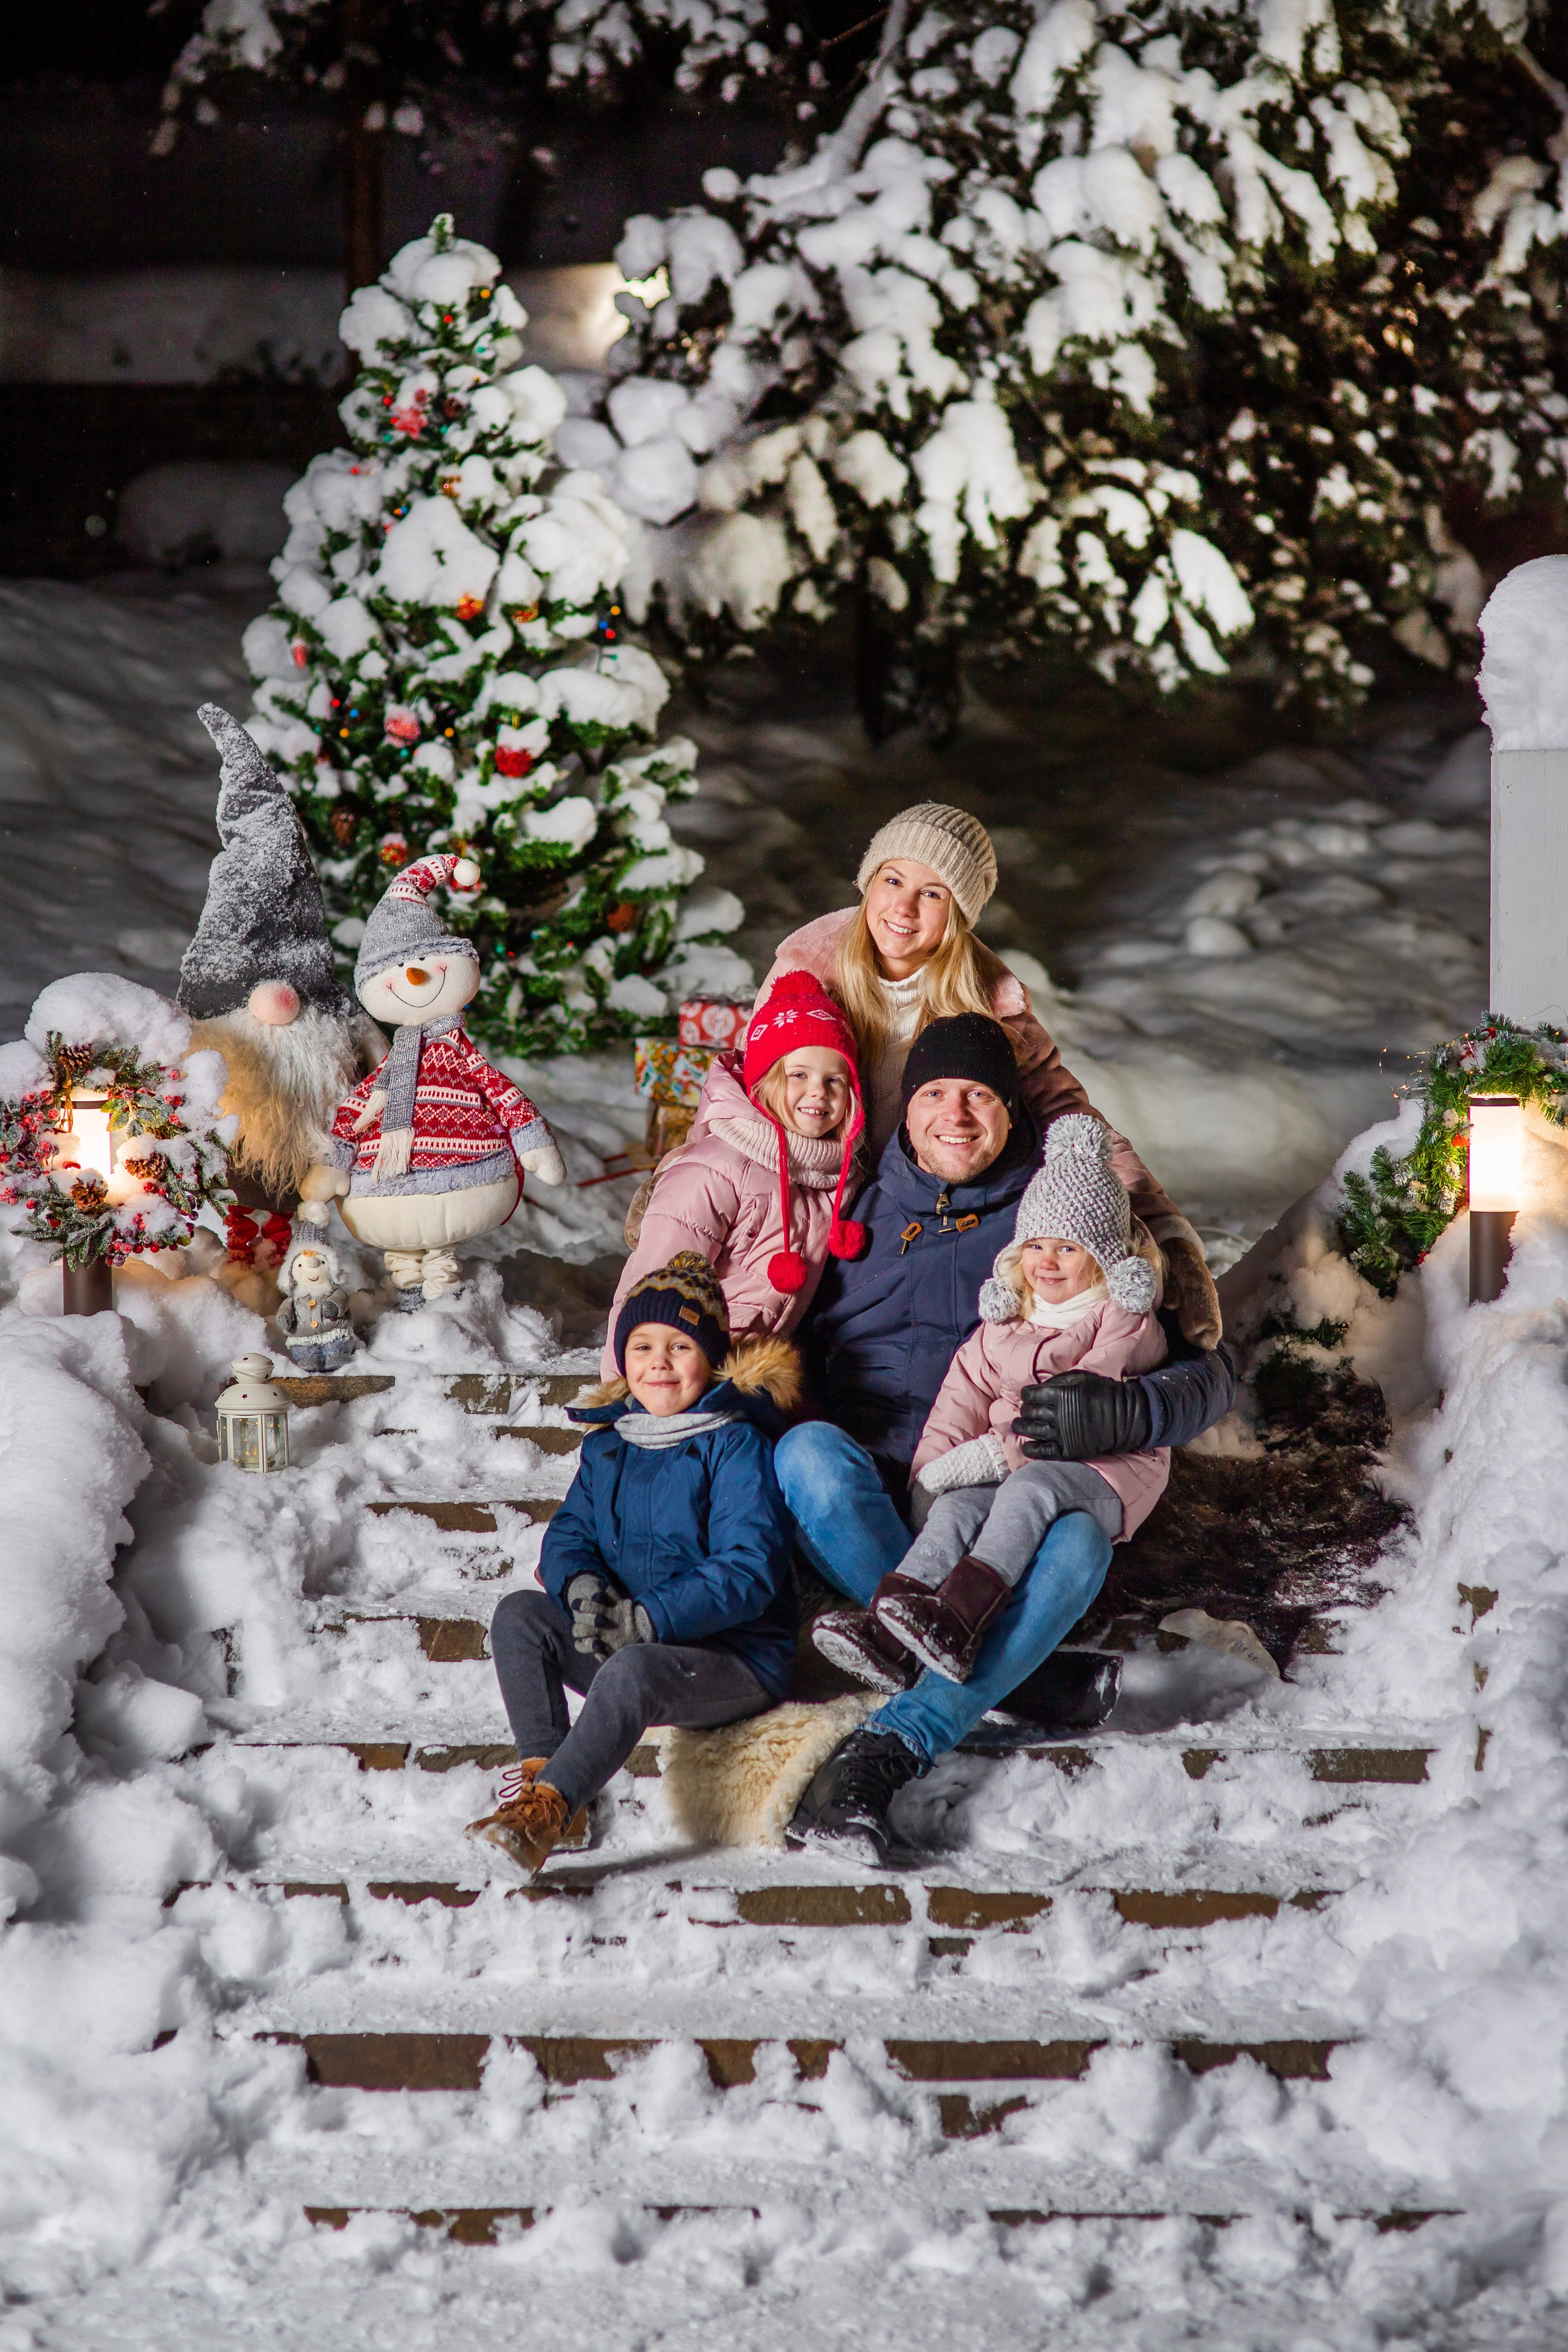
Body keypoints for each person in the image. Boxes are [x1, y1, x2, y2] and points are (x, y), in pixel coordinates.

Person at [775, 1012, 1236, 1865]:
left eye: (980, 1096)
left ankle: (886, 1751)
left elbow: (1208, 1366)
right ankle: (1020, 1671)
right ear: (905, 1110)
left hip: (1017, 1509)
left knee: (1079, 1545)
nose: (957, 1115)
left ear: (1013, 1112)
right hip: (887, 1505)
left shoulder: (1066, 1218)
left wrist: (1132, 1411)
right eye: (937, 1095)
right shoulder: (848, 1203)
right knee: (803, 1455)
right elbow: (768, 1341)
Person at [740, 799, 1220, 1351]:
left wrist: (1167, 1232)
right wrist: (687, 1172)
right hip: (812, 1189)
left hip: (920, 1206)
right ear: (868, 882)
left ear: (959, 913)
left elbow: (1070, 1118)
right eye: (892, 879)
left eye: (933, 893)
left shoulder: (988, 998)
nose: (904, 906)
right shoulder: (809, 968)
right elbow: (748, 1080)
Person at [468, 1253, 799, 1877]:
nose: (659, 1363)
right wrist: (583, 1588)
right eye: (642, 1346)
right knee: (520, 1615)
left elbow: (748, 1569)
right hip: (629, 1636)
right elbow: (570, 1535)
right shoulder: (611, 1445)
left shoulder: (735, 1443)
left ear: (712, 1358)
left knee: (633, 1670)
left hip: (729, 1659)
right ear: (623, 1357)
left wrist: (649, 1618)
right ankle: (550, 1775)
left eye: (680, 1346)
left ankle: (549, 1812)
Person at [815, 1115, 1169, 1688]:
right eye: (1035, 1245)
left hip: (1104, 1469)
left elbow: (1073, 1414)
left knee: (1032, 1486)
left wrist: (996, 1456)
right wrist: (932, 1475)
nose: (1046, 1262)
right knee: (957, 1506)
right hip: (1013, 1462)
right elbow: (963, 1393)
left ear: (1103, 1257)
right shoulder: (1009, 1318)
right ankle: (890, 1633)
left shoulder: (1119, 1319)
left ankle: (957, 1624)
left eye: (1067, 1248)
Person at [601, 971, 864, 1380]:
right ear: (763, 1080)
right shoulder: (715, 1171)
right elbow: (647, 1295)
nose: (819, 1092)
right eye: (798, 1075)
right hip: (683, 1375)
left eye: (835, 1080)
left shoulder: (833, 1174)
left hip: (753, 1375)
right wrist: (626, 1401)